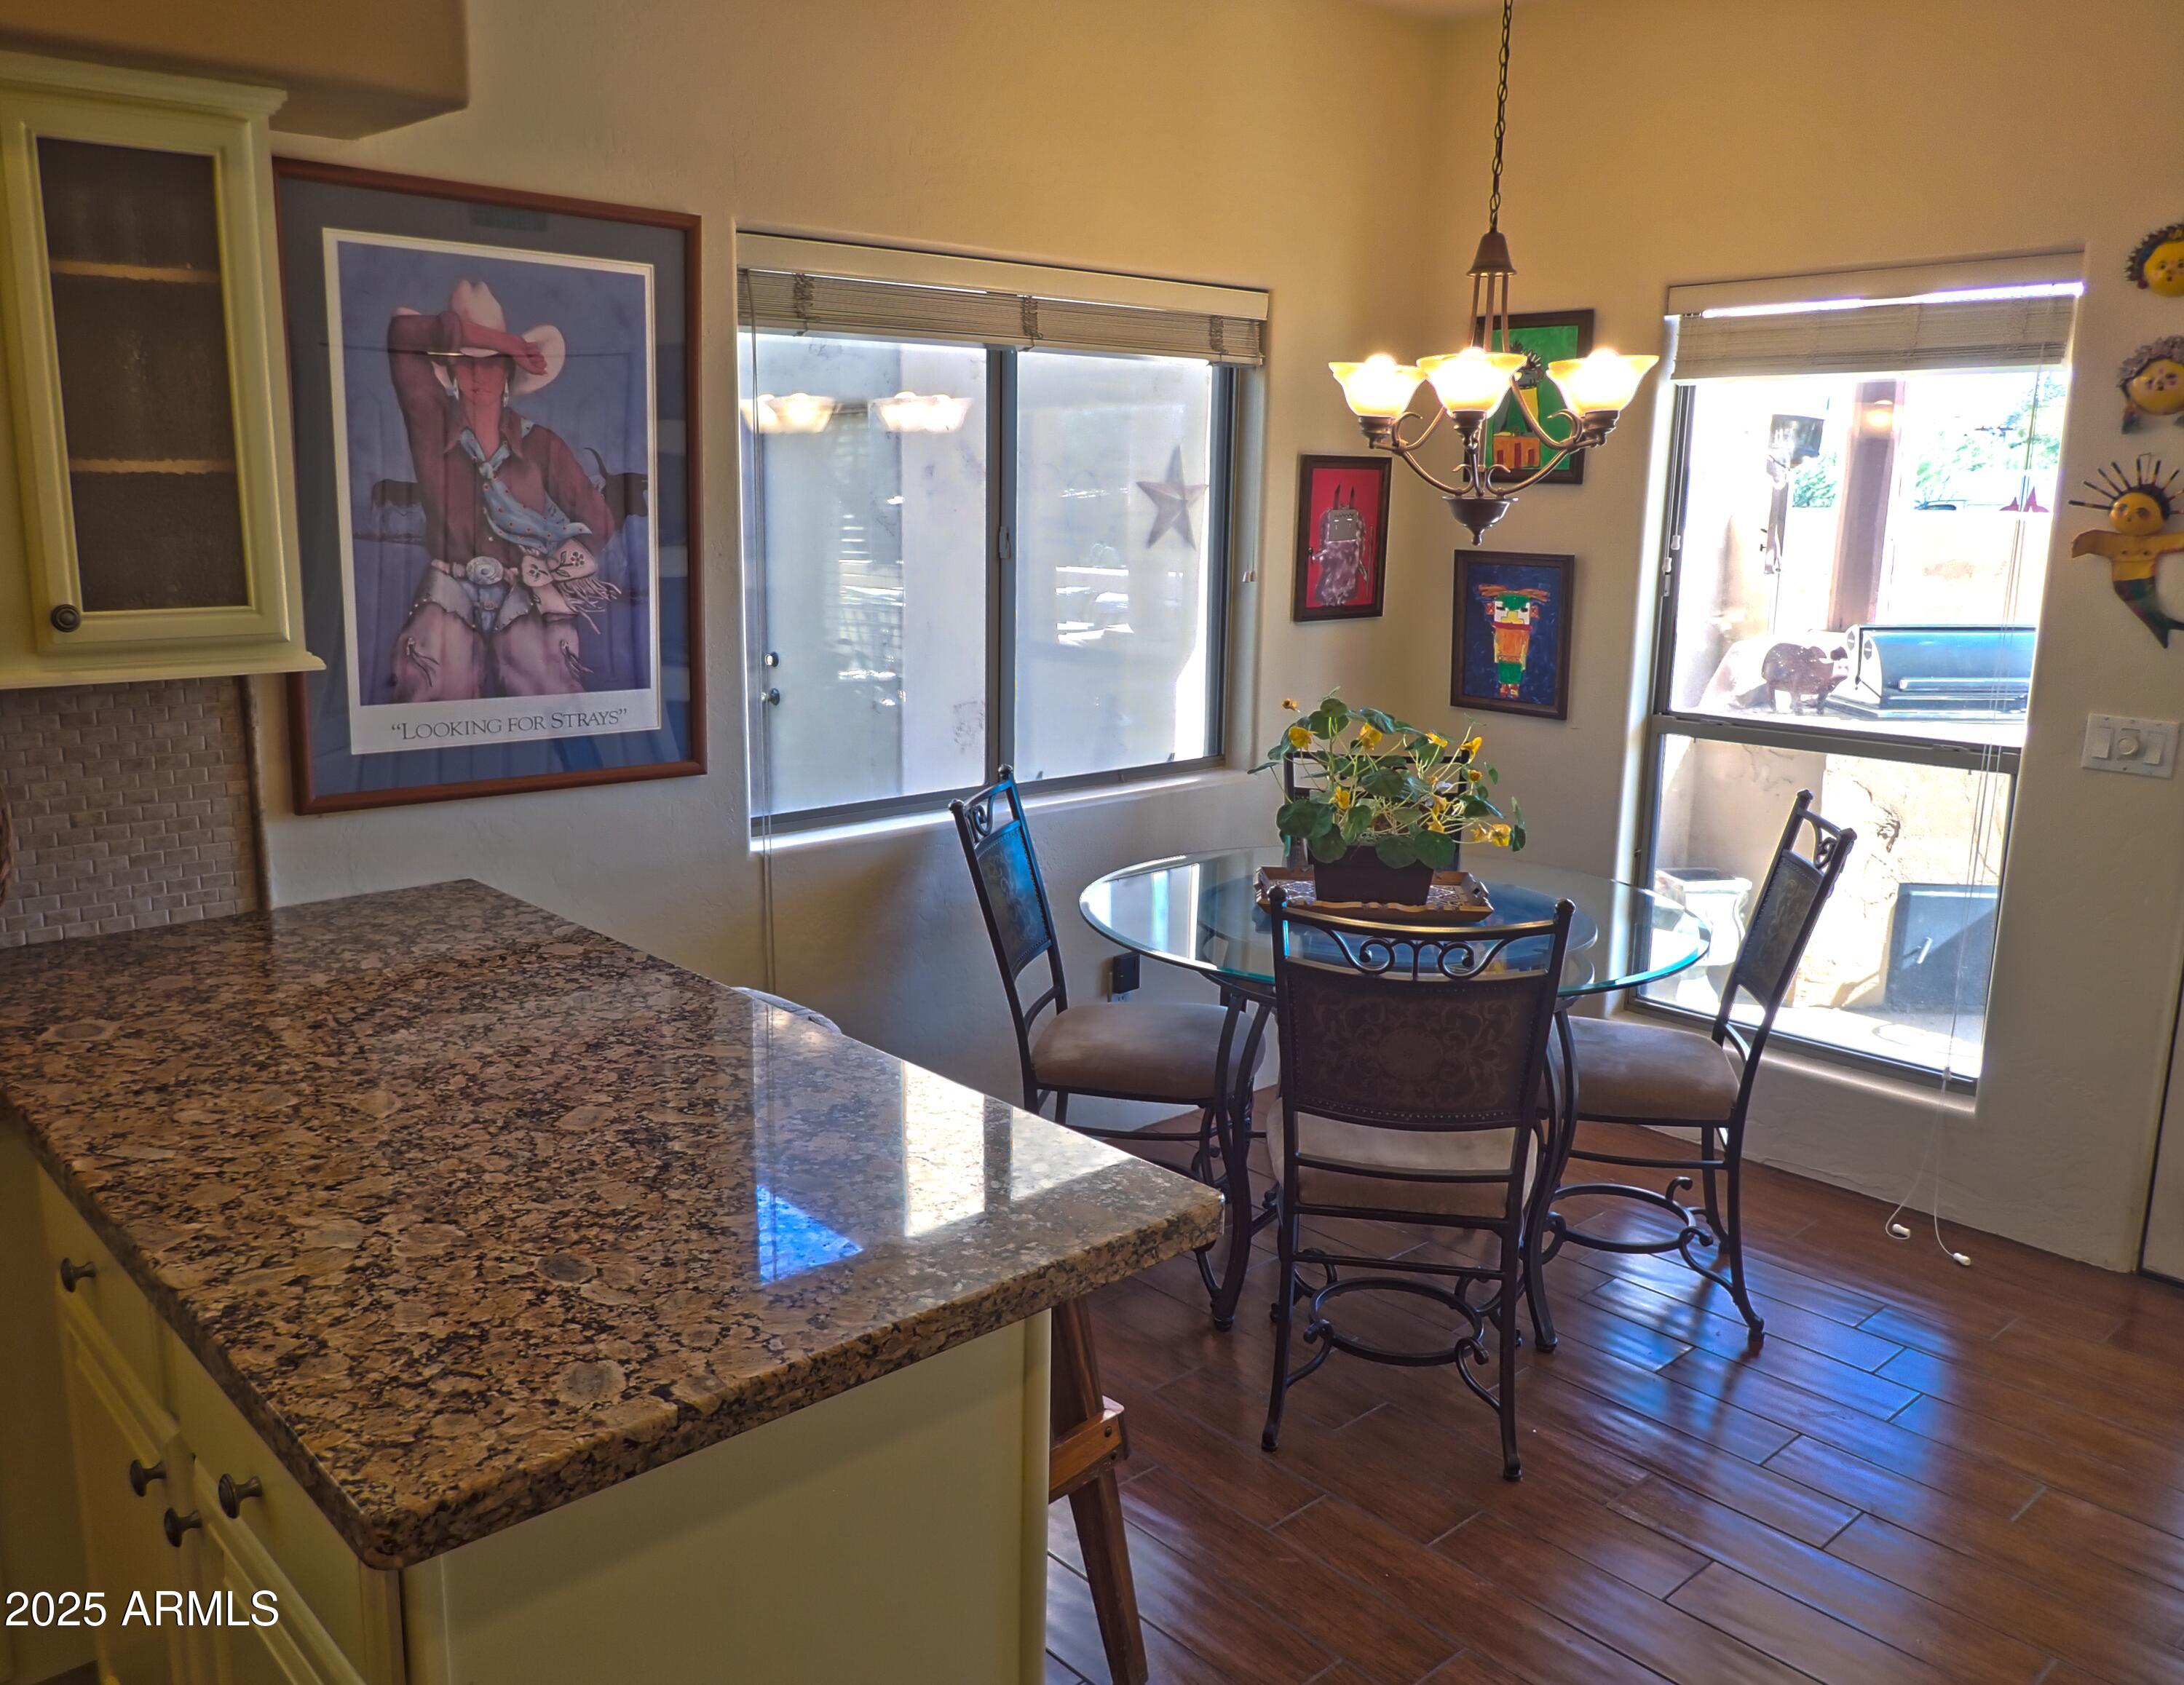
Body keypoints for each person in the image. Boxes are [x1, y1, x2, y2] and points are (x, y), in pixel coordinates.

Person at [384, 280, 620, 701]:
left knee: (552, 699)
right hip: (447, 589)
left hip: (525, 592)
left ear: (509, 372)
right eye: (466, 362)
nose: (478, 374)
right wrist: (502, 341)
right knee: (433, 698)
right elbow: (403, 334)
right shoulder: (429, 426)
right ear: (451, 372)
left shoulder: (541, 444)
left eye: (493, 362)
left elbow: (598, 519)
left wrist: (556, 564)